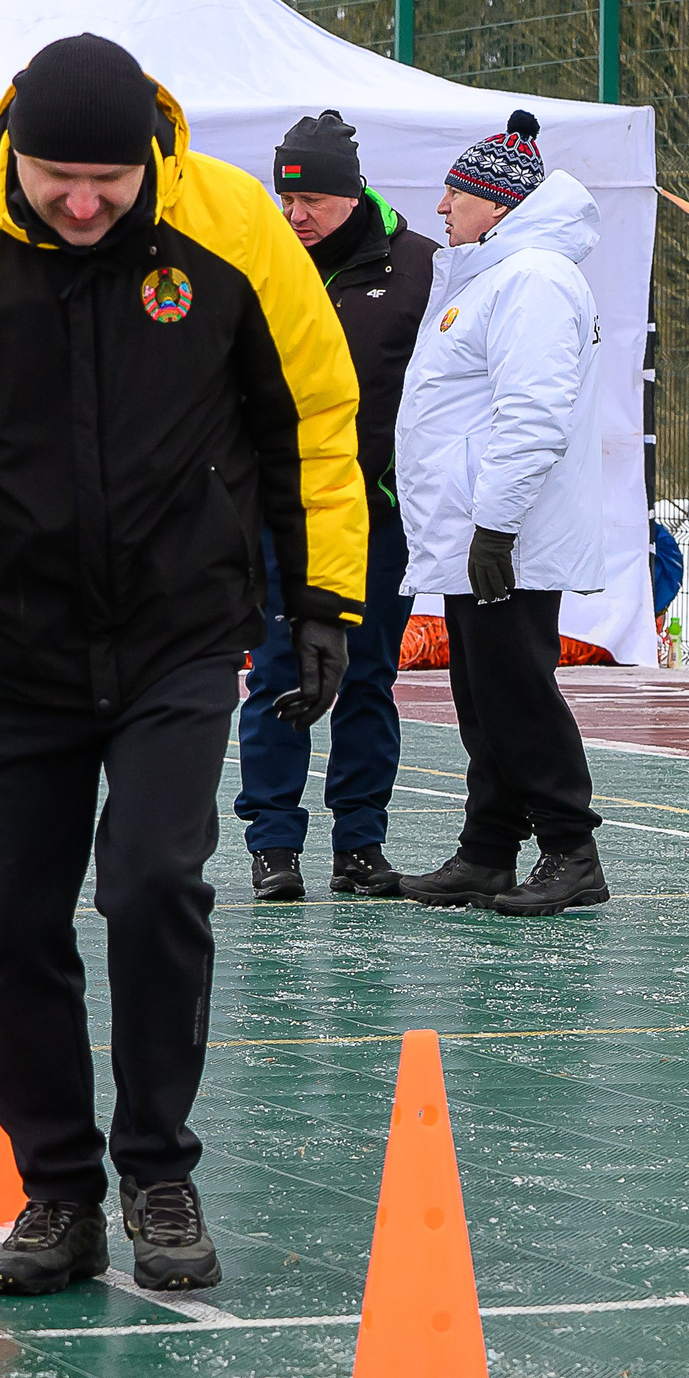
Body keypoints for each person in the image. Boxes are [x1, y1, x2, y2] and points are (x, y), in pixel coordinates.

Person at [0, 35, 366, 1296]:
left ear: (150, 156)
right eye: (60, 178)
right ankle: (57, 1192)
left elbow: (310, 416)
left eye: (110, 178)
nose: (87, 201)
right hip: (9, 641)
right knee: (17, 924)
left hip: (177, 631)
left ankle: (159, 1169)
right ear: (15, 156)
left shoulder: (232, 232)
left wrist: (324, 598)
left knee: (157, 881)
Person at [392, 111, 613, 917]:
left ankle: (570, 848)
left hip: (505, 537)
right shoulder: (496, 277)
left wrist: (496, 525)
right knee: (482, 692)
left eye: (457, 192)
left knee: (516, 691)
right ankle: (488, 851)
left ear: (499, 203)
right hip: (480, 532)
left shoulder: (534, 282)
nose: (442, 207)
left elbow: (532, 414)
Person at [237, 111, 437, 901]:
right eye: (287, 198)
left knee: (367, 678)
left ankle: (360, 844)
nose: (296, 215)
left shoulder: (423, 267)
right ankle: (273, 846)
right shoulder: (259, 260)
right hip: (280, 514)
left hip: (378, 516)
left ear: (353, 193)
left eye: (313, 199)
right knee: (278, 674)